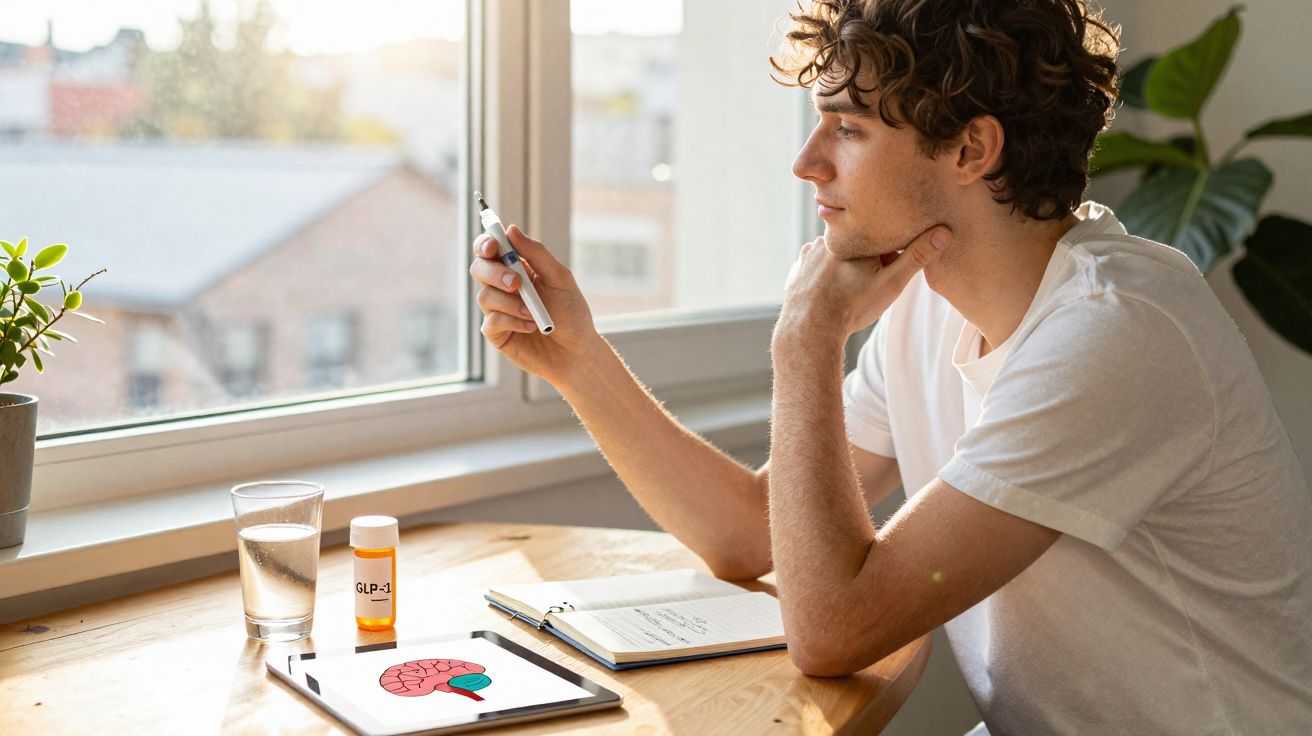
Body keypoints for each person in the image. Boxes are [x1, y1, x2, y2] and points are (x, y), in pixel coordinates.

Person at [469, 0, 1312, 732]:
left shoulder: (1114, 332)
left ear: (972, 148)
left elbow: (833, 627)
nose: (807, 163)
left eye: (848, 127)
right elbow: (754, 532)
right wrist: (579, 359)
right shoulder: (922, 300)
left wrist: (805, 340)